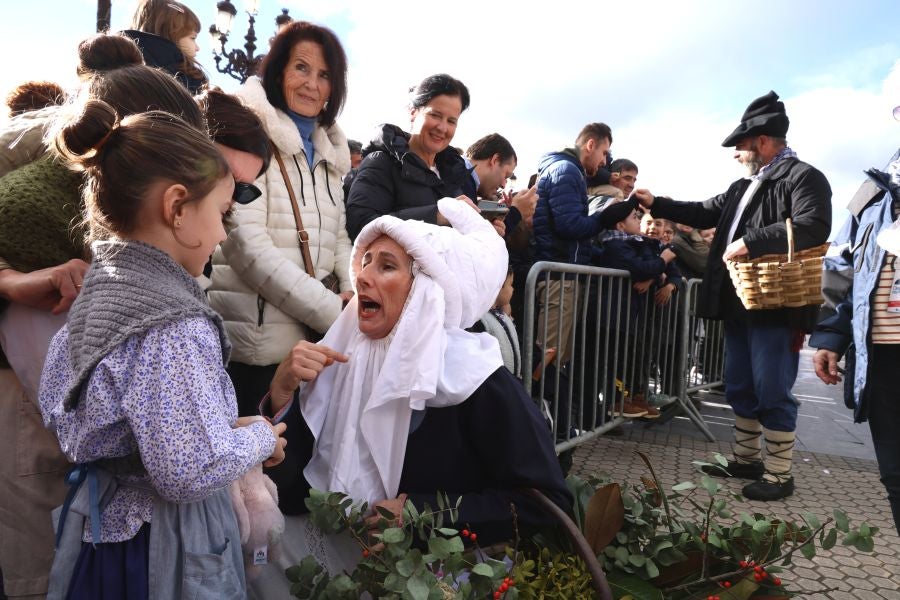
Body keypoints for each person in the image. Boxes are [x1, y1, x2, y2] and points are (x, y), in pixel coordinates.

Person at [246, 198, 571, 595]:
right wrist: (281, 395)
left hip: (440, 572)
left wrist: (418, 513)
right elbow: (296, 490)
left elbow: (545, 504)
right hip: (344, 555)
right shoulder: (342, 361)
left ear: (425, 291)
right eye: (364, 262)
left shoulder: (476, 380)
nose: (363, 277)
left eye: (386, 266)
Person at [38, 100, 287, 599]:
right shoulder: (172, 324)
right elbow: (186, 470)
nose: (221, 232)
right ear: (176, 208)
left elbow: (62, 406)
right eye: (220, 213)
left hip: (103, 528)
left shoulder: (104, 292)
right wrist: (259, 437)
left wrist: (205, 427)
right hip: (161, 548)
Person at [0, 33, 216, 600]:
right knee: (34, 562)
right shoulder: (29, 199)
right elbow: (182, 468)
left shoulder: (122, 231)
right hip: (20, 410)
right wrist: (16, 280)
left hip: (77, 459)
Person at [634, 91, 832, 501]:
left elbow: (813, 226)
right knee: (740, 383)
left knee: (772, 387)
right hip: (739, 300)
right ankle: (746, 459)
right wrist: (658, 203)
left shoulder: (803, 177)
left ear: (761, 141)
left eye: (741, 145)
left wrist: (752, 241)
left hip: (778, 305)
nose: (736, 153)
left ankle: (780, 474)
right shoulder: (744, 185)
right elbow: (704, 211)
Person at [209, 20, 354, 417]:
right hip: (256, 348)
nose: (312, 84)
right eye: (301, 68)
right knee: (257, 467)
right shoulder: (250, 137)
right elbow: (247, 248)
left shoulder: (329, 152)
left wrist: (352, 296)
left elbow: (341, 237)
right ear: (278, 72)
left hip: (312, 346)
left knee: (296, 468)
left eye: (325, 75)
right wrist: (333, 313)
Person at [809, 112, 900, 534]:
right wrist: (830, 335)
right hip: (882, 357)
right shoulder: (873, 190)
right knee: (896, 478)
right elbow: (841, 269)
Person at [345, 73, 478, 240]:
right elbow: (360, 224)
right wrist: (435, 215)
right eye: (435, 115)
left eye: (451, 121)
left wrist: (481, 230)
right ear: (413, 112)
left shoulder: (451, 173)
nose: (443, 128)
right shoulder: (381, 162)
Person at [532, 122, 612, 367]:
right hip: (559, 275)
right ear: (590, 144)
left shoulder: (567, 170)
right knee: (548, 354)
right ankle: (532, 404)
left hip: (562, 273)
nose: (605, 162)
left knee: (554, 354)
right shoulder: (566, 170)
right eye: (604, 153)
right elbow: (569, 225)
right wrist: (606, 218)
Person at [123, 0, 207, 93]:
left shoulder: (120, 67)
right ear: (172, 33)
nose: (197, 48)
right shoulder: (187, 80)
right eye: (193, 38)